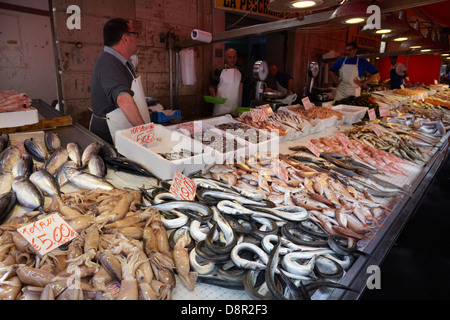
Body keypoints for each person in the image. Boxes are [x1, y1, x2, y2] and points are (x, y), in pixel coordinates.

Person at [90, 18, 150, 144]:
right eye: (135, 34)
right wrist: (145, 133)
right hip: (110, 137)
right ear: (125, 38)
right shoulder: (109, 63)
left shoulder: (122, 62)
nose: (137, 39)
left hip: (123, 131)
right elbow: (123, 99)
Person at [208, 48, 254, 116]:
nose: (232, 59)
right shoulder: (219, 71)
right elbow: (211, 85)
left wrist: (263, 88)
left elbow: (250, 83)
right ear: (225, 58)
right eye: (230, 57)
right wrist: (213, 94)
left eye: (234, 57)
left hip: (235, 107)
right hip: (221, 108)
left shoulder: (240, 71)